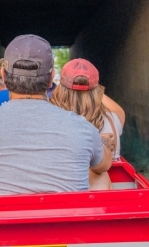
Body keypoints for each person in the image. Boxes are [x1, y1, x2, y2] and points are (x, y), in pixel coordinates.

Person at [0, 35, 111, 196]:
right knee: (100, 175)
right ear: (51, 78)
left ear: (3, 76)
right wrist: (103, 143)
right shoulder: (83, 127)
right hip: (62, 219)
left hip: (0, 219)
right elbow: (103, 166)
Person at [49, 58, 126, 190]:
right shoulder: (113, 120)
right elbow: (119, 111)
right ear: (98, 91)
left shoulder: (51, 122)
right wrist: (91, 89)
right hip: (107, 202)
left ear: (61, 88)